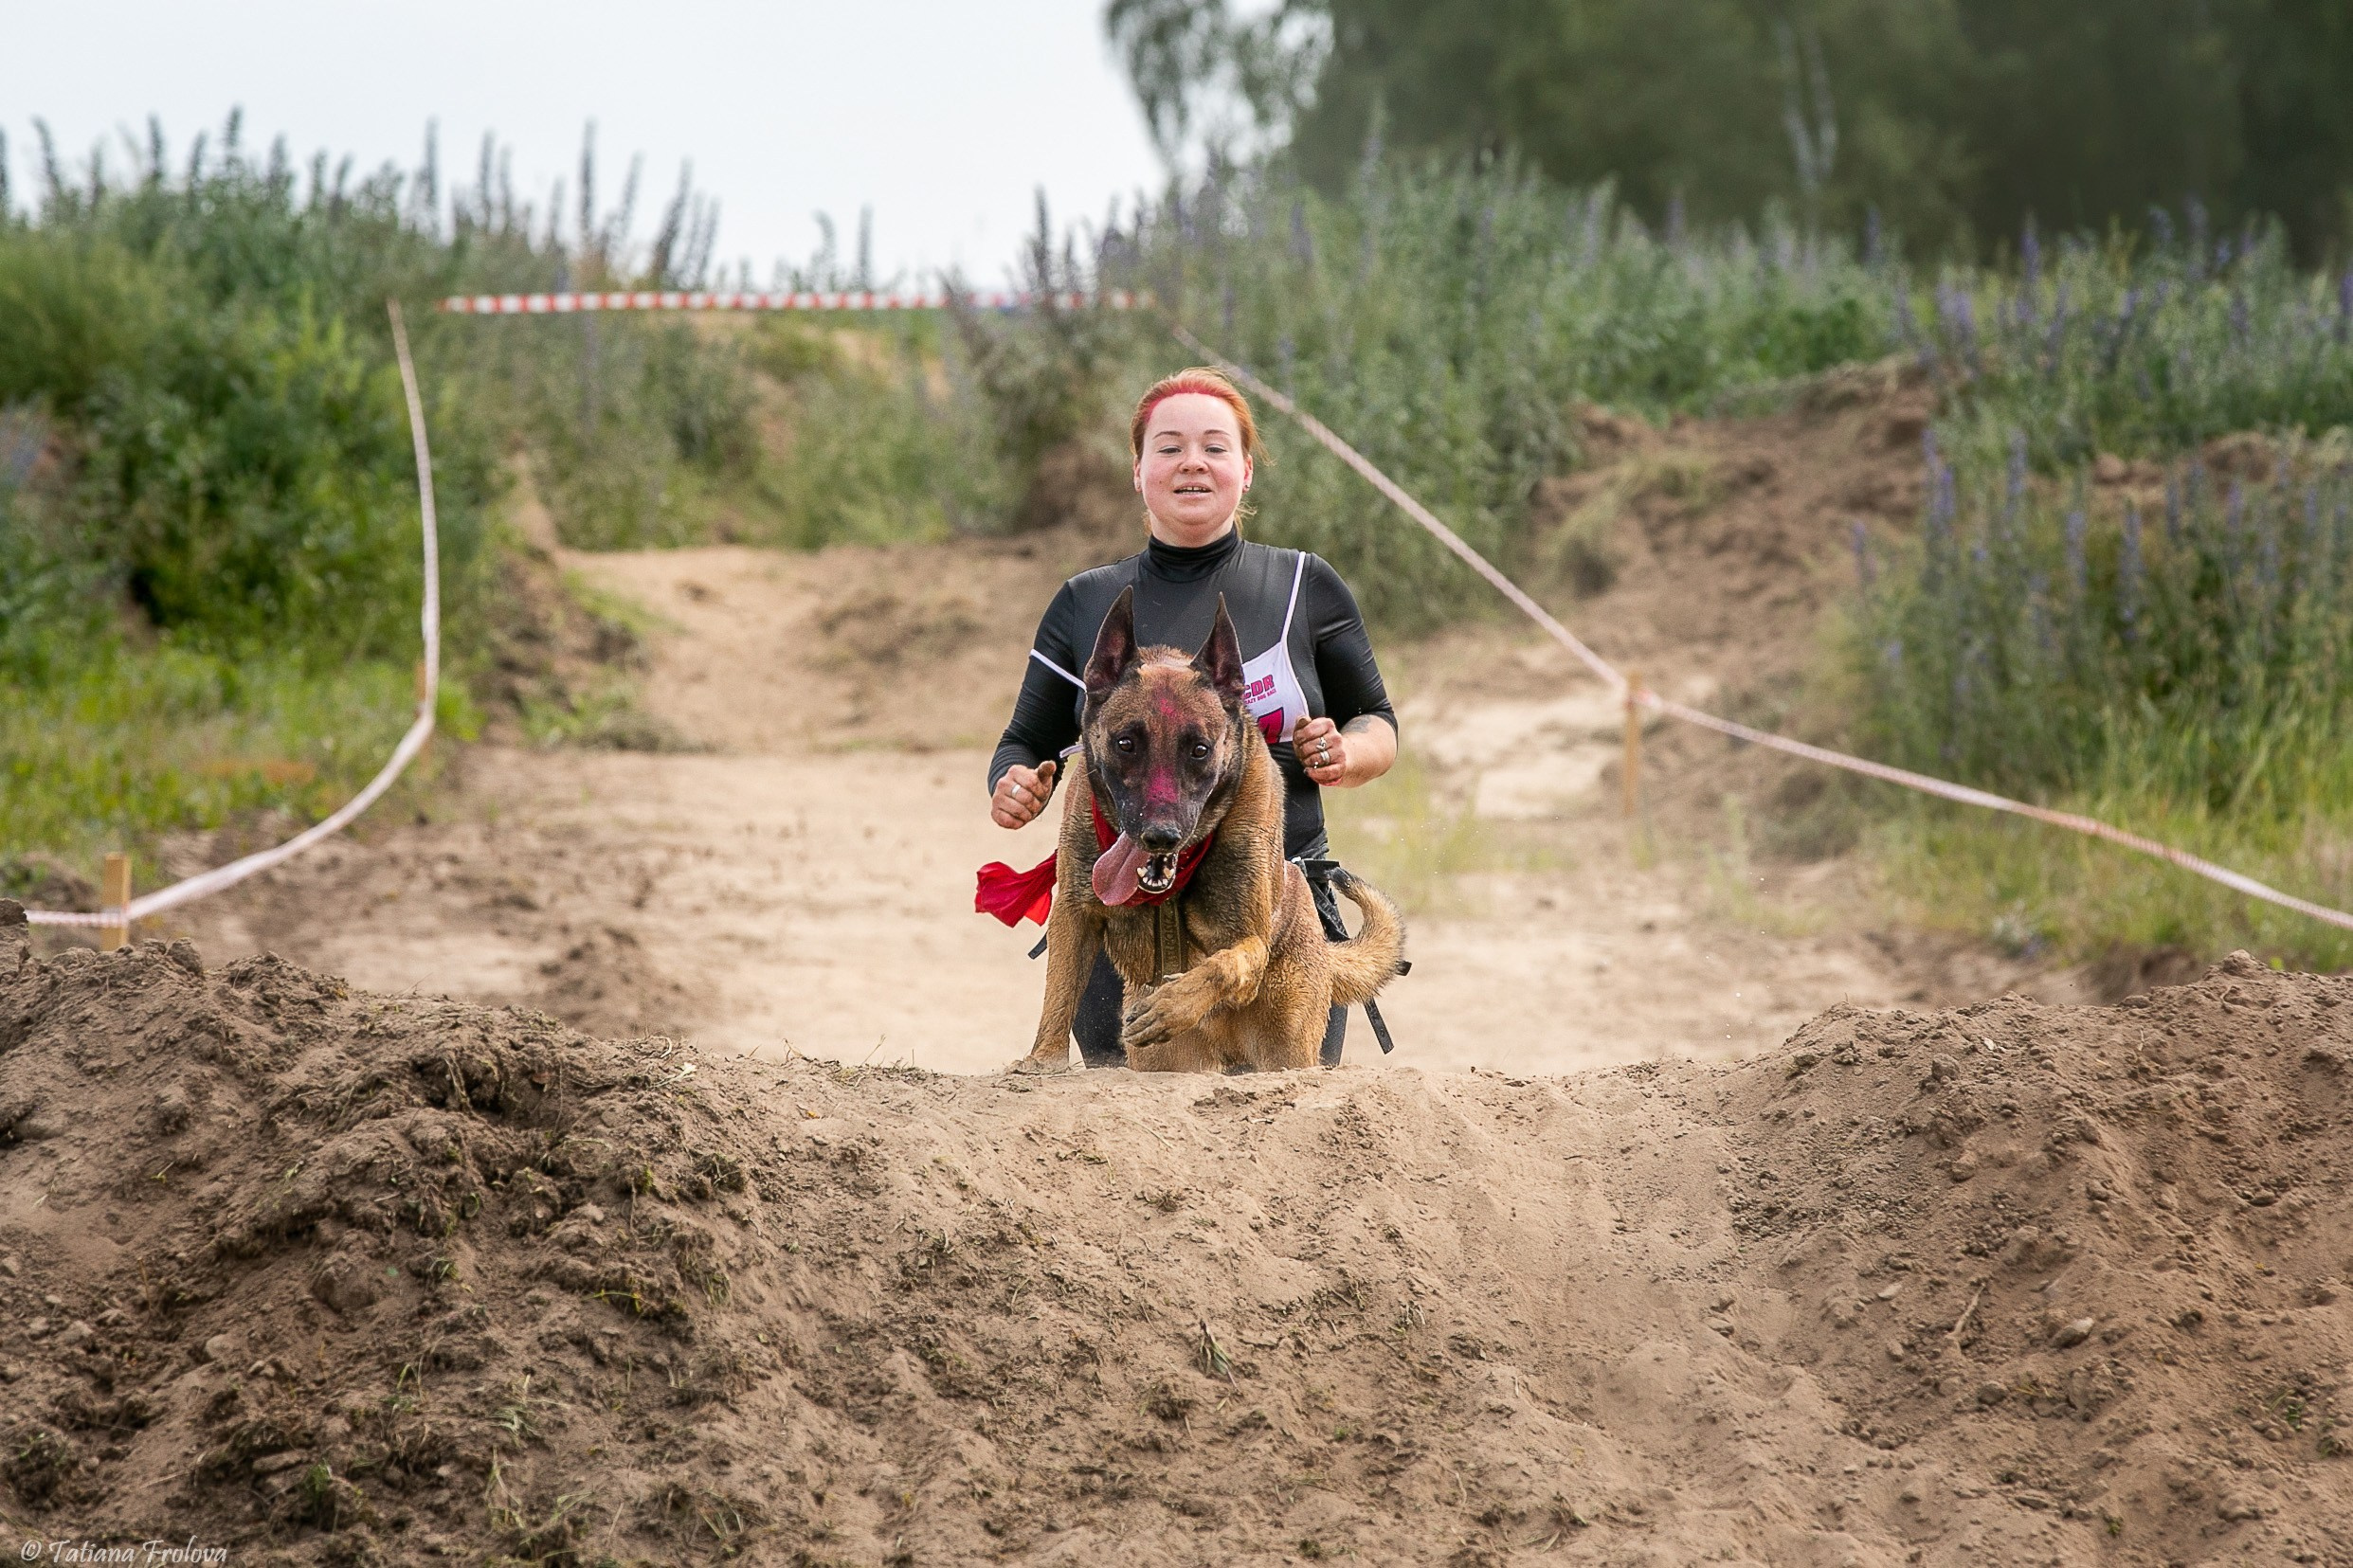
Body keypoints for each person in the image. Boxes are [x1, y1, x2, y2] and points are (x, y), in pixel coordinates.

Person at [986, 367, 1399, 1067]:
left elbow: (1377, 719)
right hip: (1122, 932)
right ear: (1138, 470)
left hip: (1275, 915)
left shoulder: (1303, 583)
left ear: (1245, 469)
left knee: (1286, 1144)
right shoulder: (1086, 601)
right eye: (1169, 446)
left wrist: (1347, 753)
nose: (1191, 463)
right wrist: (1016, 781)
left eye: (1213, 445)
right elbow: (1025, 738)